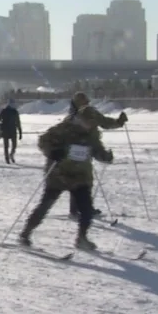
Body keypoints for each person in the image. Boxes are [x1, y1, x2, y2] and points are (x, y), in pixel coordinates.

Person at [19, 106, 114, 250]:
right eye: (88, 121)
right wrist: (53, 152)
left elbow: (97, 150)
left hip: (81, 177)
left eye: (93, 123)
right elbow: (43, 141)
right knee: (45, 205)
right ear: (80, 119)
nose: (90, 125)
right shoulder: (63, 129)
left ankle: (82, 238)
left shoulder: (91, 135)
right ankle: (26, 233)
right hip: (58, 175)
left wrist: (105, 156)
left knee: (86, 209)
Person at [62, 91, 127, 219]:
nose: (87, 103)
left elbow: (103, 122)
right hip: (78, 152)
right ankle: (80, 209)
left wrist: (119, 122)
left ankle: (80, 209)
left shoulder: (76, 115)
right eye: (85, 101)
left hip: (80, 152)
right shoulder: (79, 115)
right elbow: (103, 122)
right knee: (81, 181)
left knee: (82, 181)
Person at [0, 99, 23, 164]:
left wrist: (20, 132)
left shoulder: (15, 112)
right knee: (6, 146)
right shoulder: (4, 111)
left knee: (14, 145)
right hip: (6, 130)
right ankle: (7, 158)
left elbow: (18, 122)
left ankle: (11, 155)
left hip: (12, 130)